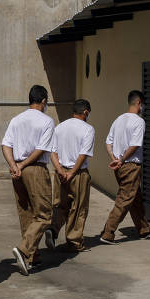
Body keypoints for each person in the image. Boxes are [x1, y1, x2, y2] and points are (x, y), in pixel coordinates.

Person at [2, 85, 56, 275]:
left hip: (17, 168)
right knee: (43, 213)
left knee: (26, 212)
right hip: (34, 169)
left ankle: (32, 257)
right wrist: (23, 165)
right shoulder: (47, 121)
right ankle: (24, 249)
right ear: (43, 101)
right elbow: (41, 149)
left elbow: (6, 145)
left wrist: (14, 165)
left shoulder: (16, 120)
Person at [100, 90, 150, 243]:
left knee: (135, 197)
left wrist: (114, 158)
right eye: (143, 104)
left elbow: (108, 142)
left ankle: (144, 228)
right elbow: (134, 145)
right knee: (125, 199)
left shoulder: (118, 119)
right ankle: (108, 232)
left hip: (119, 166)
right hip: (130, 165)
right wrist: (122, 159)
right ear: (139, 103)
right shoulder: (139, 121)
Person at [47, 99, 94, 253]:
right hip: (78, 173)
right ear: (85, 112)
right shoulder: (88, 129)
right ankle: (74, 241)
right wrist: (72, 172)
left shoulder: (59, 127)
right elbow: (83, 154)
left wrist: (60, 170)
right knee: (78, 207)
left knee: (60, 205)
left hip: (60, 173)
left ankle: (52, 230)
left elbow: (52, 151)